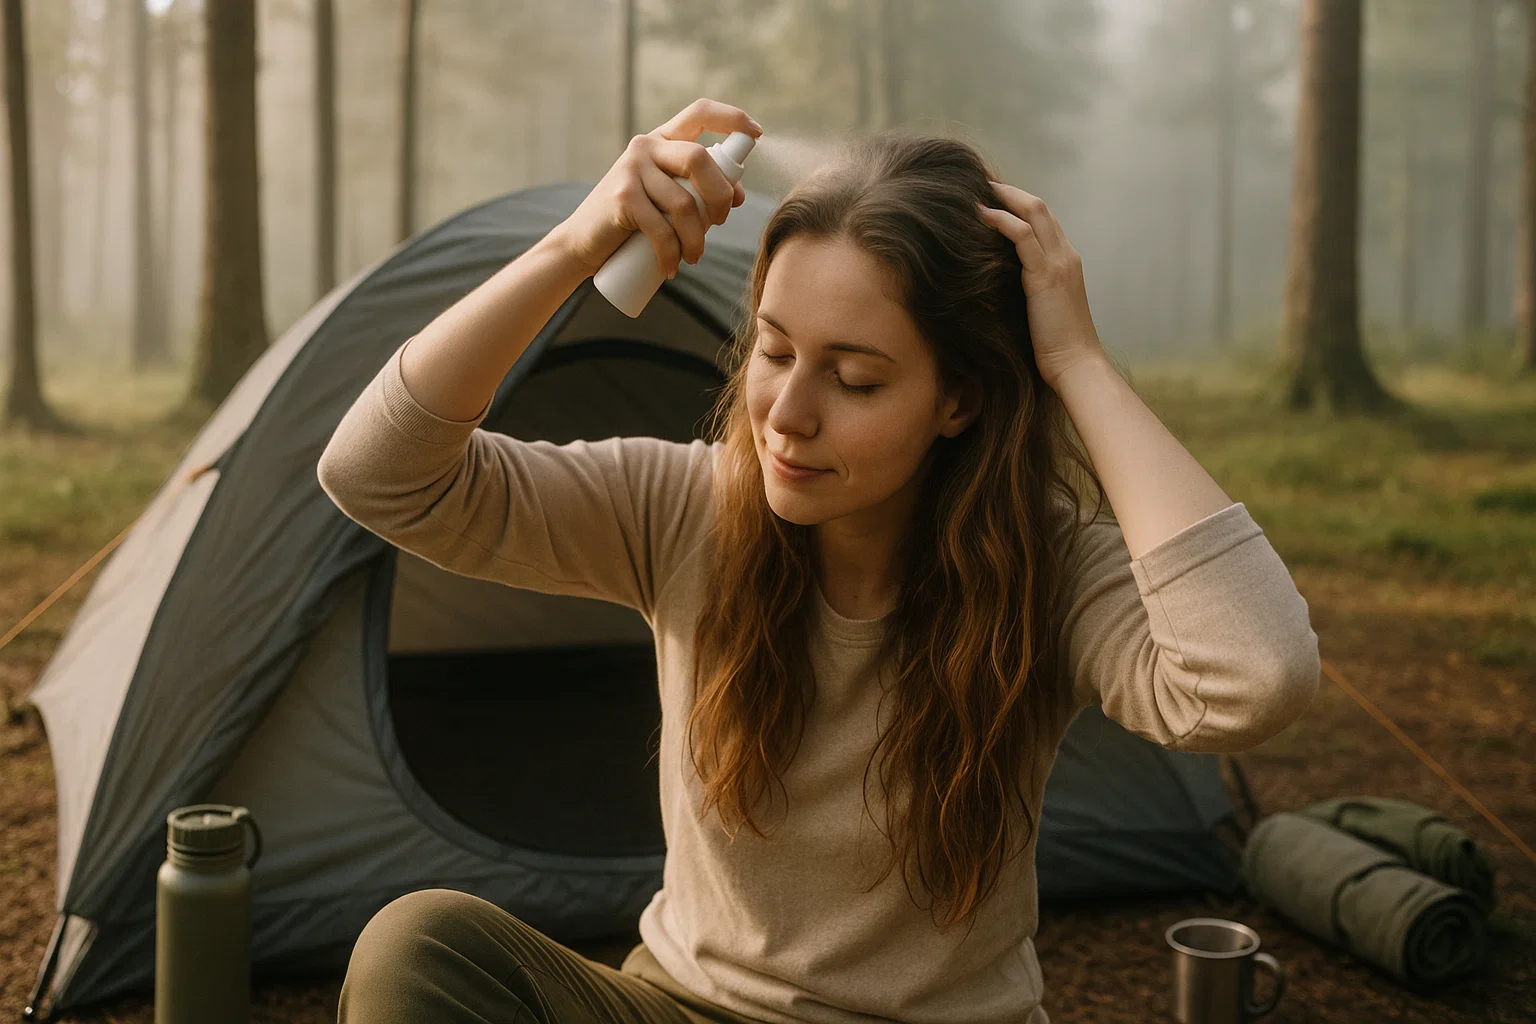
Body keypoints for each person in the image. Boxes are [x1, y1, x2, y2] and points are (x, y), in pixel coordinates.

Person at [317, 97, 1320, 1024]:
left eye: (854, 378)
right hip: (686, 1004)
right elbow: (379, 476)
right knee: (423, 944)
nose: (788, 414)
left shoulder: (1042, 569)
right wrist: (577, 247)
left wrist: (1078, 363)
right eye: (774, 348)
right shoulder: (685, 509)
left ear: (959, 401)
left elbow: (1250, 680)